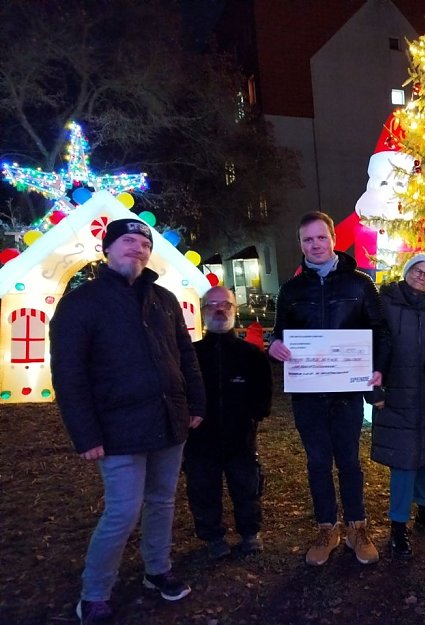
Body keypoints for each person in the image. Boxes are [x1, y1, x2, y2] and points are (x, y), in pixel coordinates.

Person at [49, 218, 206, 625]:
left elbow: (185, 356)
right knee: (122, 511)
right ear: (107, 248)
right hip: (118, 428)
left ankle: (157, 570)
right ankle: (95, 593)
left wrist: (196, 403)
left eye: (142, 243)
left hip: (168, 419)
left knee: (163, 502)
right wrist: (85, 433)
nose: (136, 248)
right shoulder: (82, 302)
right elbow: (69, 373)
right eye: (127, 241)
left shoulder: (164, 299)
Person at [268, 211, 391, 566]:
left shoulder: (359, 284)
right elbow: (279, 333)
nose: (315, 245)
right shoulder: (290, 290)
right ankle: (326, 526)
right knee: (318, 461)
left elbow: (380, 330)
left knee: (349, 461)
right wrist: (274, 346)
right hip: (308, 395)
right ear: (300, 244)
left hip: (347, 393)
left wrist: (378, 368)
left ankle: (357, 526)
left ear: (333, 239)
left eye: (321, 238)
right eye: (308, 240)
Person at [184, 286, 273, 560]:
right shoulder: (189, 354)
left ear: (235, 309)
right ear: (203, 311)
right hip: (200, 438)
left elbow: (264, 391)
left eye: (226, 304)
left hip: (240, 437)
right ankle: (213, 536)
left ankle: (250, 533)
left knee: (246, 487)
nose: (220, 309)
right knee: (203, 489)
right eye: (212, 305)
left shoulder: (252, 354)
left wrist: (253, 415)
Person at [370, 252, 425, 559]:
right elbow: (372, 347)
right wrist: (374, 390)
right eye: (418, 270)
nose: (422, 276)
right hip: (396, 396)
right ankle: (398, 526)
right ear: (407, 272)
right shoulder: (384, 305)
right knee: (404, 463)